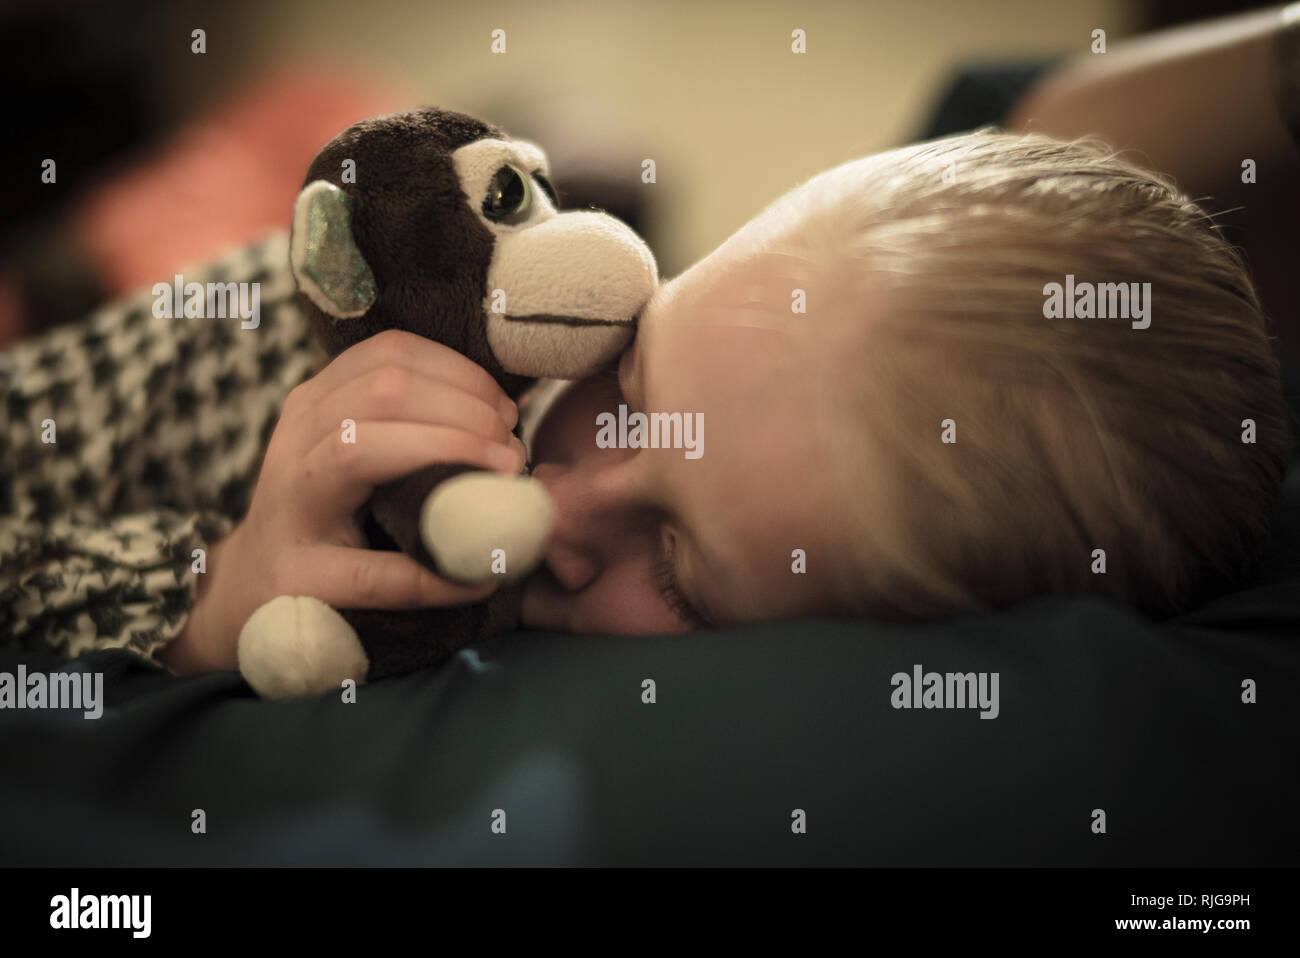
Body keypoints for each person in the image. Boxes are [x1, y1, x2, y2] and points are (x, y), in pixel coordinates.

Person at [2, 6, 1297, 676]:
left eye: (679, 572)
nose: (561, 507)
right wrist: (206, 582)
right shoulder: (338, 340)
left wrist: (213, 614)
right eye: (630, 388)